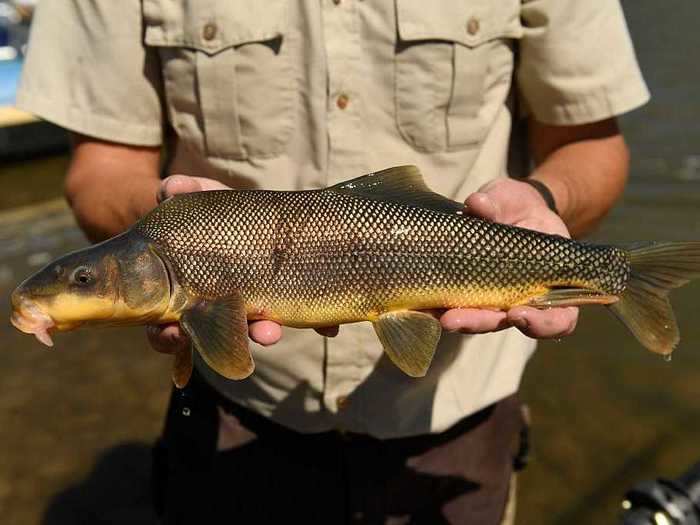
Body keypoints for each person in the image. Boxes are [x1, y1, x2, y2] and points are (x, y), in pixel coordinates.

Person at [17, 1, 648, 523]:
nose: (82, 284)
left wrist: (542, 199)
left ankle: (624, 276)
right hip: (240, 417)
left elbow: (590, 146)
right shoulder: (169, 251)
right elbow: (101, 168)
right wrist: (156, 204)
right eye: (85, 280)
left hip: (458, 414)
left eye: (84, 281)